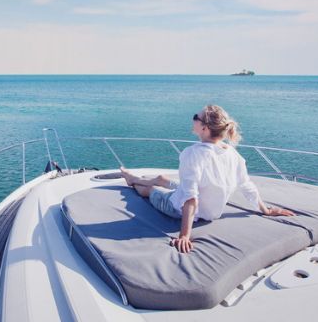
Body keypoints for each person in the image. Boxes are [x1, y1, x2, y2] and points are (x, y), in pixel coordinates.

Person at [120, 104, 295, 254]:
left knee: (150, 191)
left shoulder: (192, 154)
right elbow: (246, 185)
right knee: (164, 179)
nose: (193, 118)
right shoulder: (232, 153)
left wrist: (184, 236)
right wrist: (266, 210)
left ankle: (132, 181)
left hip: (177, 208)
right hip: (208, 209)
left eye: (196, 117)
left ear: (204, 128)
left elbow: (191, 198)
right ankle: (154, 179)